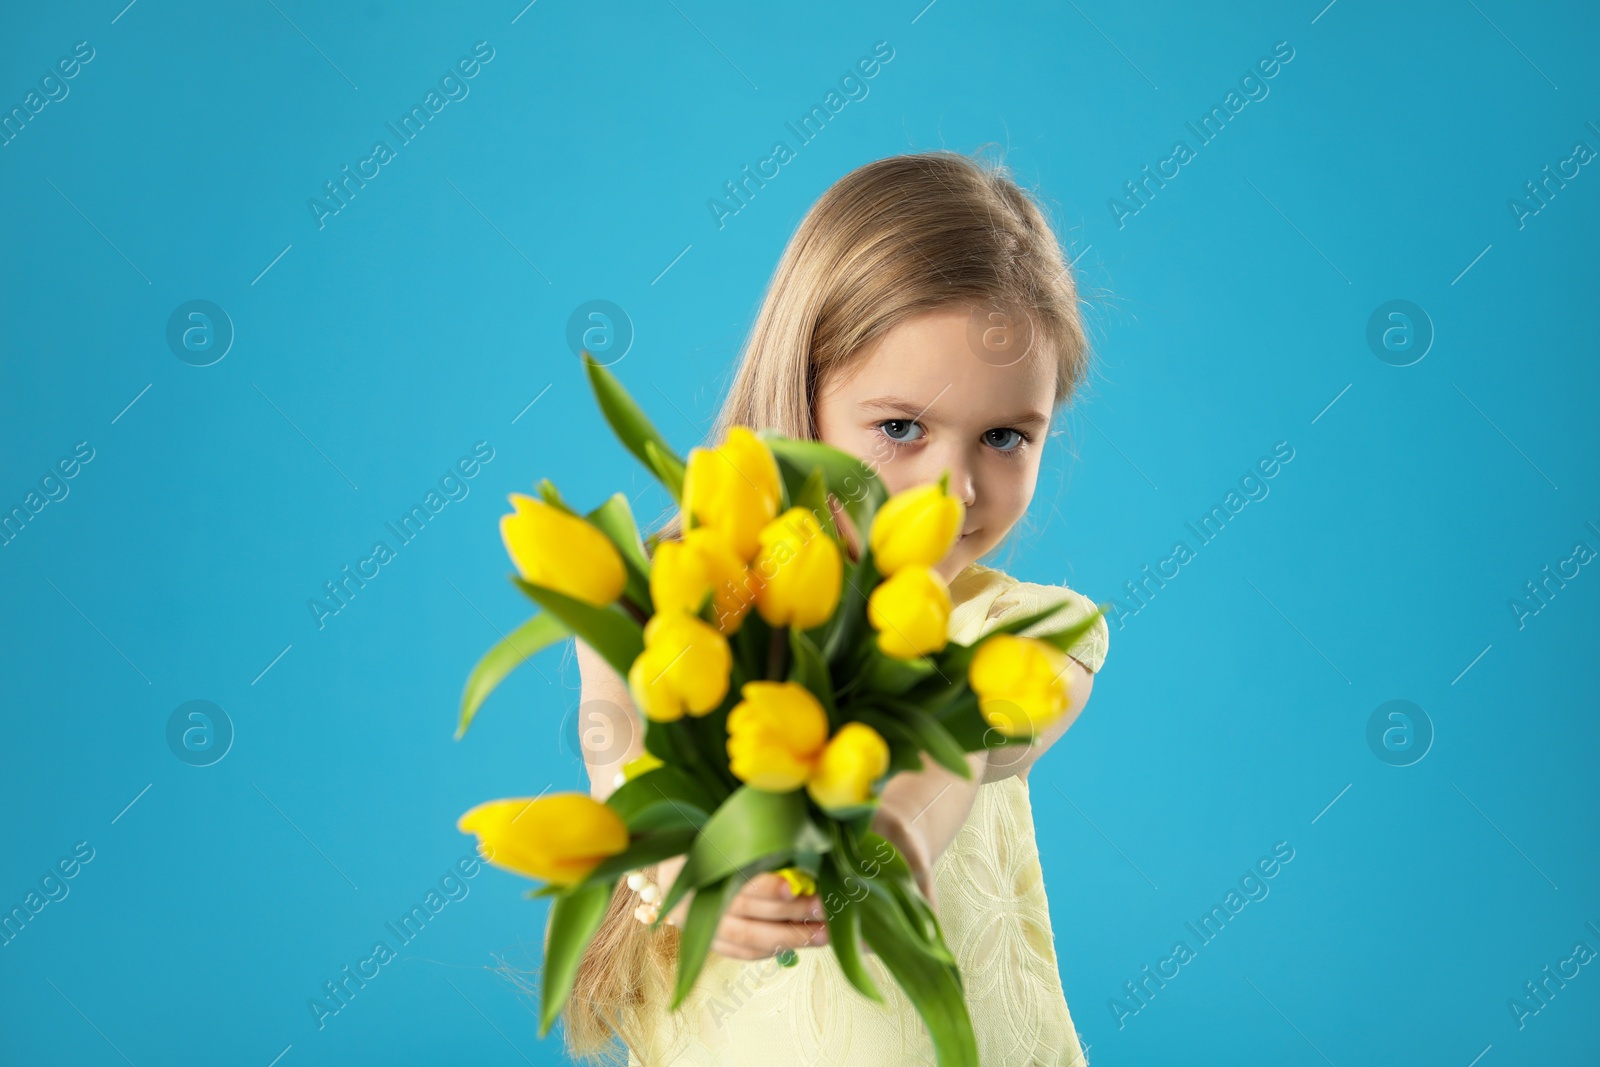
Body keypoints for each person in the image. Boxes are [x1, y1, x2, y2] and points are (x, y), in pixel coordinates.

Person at [562, 150, 1109, 1065]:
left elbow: (962, 743)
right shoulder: (674, 600)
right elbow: (621, 752)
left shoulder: (1027, 630)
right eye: (902, 427)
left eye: (1006, 437)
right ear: (805, 396)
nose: (956, 489)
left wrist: (879, 834)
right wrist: (683, 872)